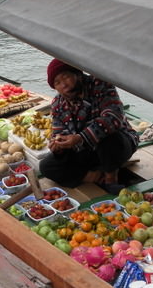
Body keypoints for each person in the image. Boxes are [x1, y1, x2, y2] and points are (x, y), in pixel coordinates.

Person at [40, 58, 138, 191]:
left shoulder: (100, 84)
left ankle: (111, 178)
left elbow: (113, 117)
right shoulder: (58, 104)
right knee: (47, 166)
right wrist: (58, 146)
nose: (64, 85)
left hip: (117, 145)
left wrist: (80, 138)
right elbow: (59, 133)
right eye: (57, 83)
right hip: (86, 150)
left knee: (109, 139)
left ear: (77, 73)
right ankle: (96, 176)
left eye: (66, 77)